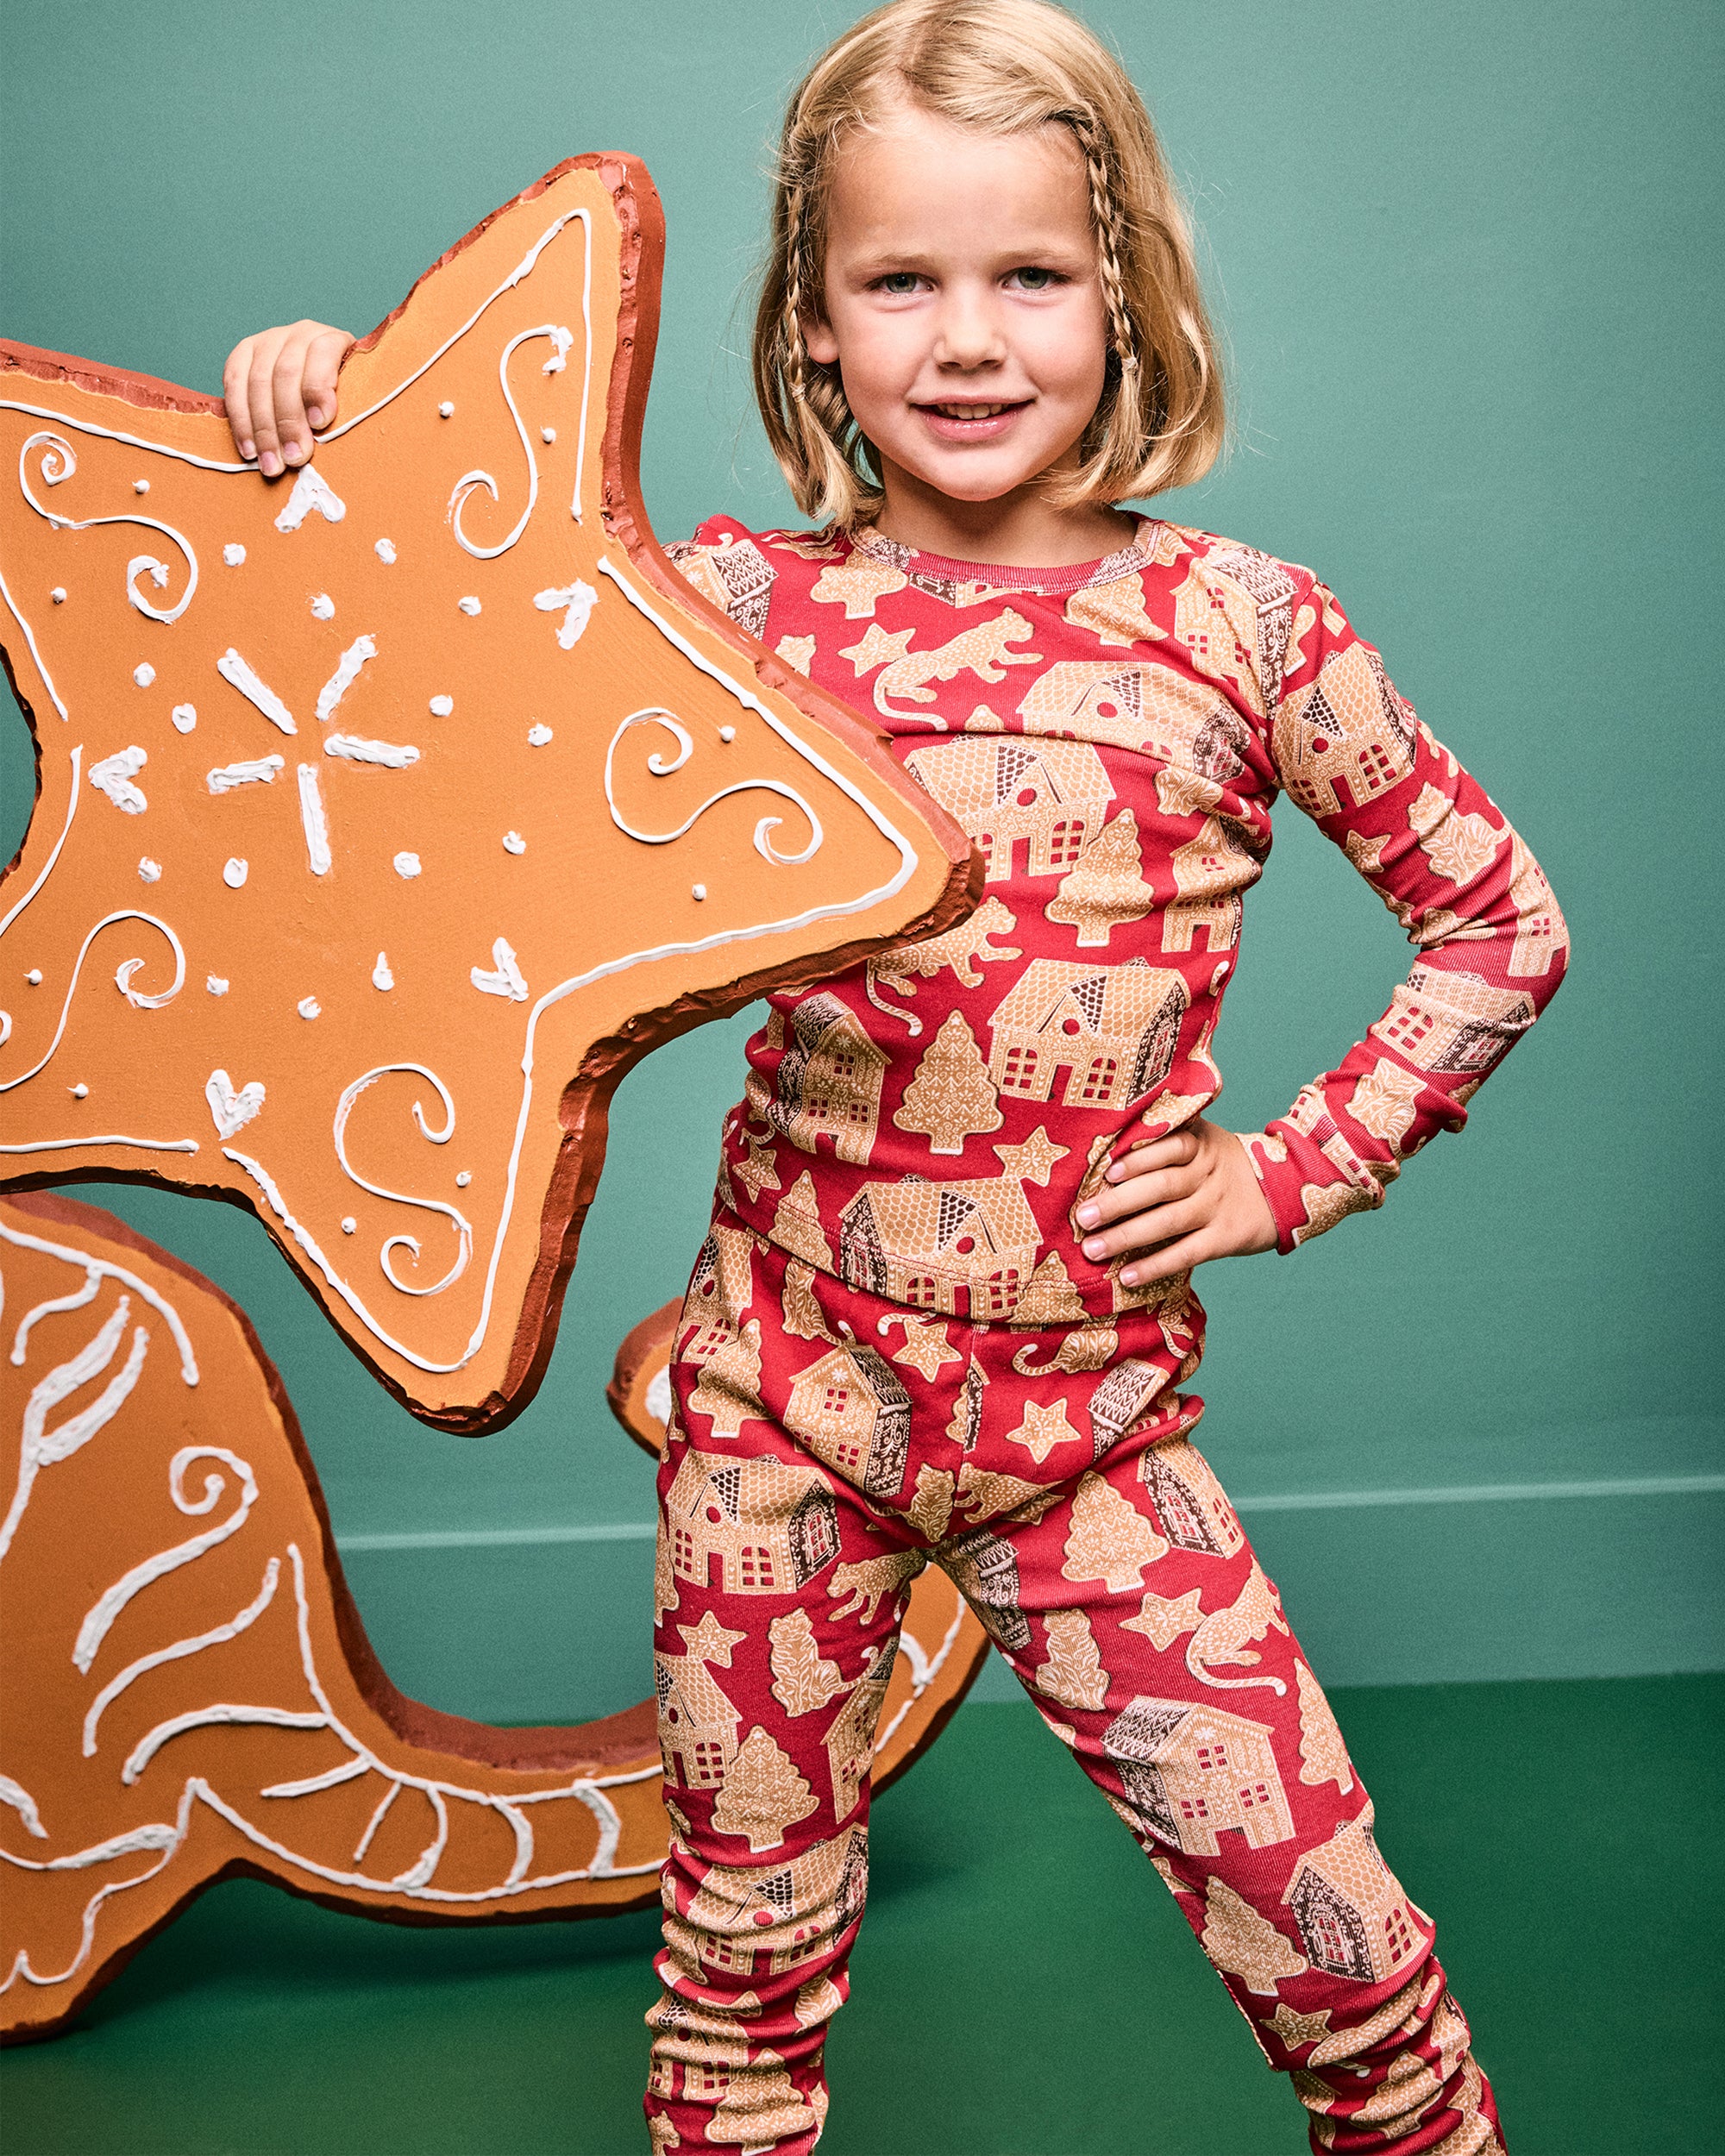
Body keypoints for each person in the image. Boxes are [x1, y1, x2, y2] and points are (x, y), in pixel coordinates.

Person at [223, 3, 1565, 2147]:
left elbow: (1496, 921)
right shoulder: (723, 613)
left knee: (1337, 1946)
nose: (964, 339)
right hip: (779, 1416)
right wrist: (325, 414)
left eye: (1026, 274)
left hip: (1092, 1433)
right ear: (811, 323)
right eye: (897, 281)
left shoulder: (1246, 628)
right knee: (737, 1967)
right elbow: (425, 672)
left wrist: (1290, 1167)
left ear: (1121, 293)